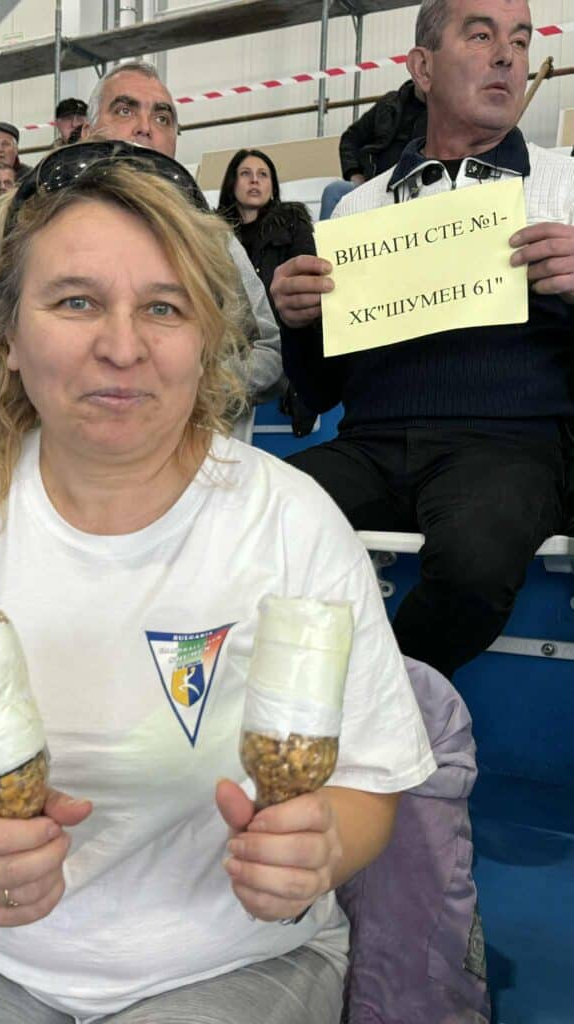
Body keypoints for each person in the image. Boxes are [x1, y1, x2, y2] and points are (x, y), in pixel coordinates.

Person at [0, 156, 434, 1024]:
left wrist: (323, 844)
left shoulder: (292, 521)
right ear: (7, 335)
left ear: (206, 338)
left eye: (163, 307)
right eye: (76, 301)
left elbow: (371, 780)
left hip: (232, 959)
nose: (123, 346)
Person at [271, 0, 574, 680]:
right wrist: (298, 323)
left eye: (520, 40)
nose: (507, 56)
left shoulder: (567, 187)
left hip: (509, 447)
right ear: (423, 68)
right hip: (371, 446)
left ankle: (377, 710)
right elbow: (321, 391)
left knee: (474, 564)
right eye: (481, 35)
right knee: (246, 518)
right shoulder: (359, 207)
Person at [82, 60, 285, 441]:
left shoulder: (214, 240)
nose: (145, 127)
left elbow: (269, 352)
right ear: (87, 132)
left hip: (187, 449)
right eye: (124, 110)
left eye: (162, 118)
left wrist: (192, 387)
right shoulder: (39, 227)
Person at [217, 149, 318, 437]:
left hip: (279, 335)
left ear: (273, 186)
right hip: (228, 338)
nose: (254, 181)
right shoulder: (213, 233)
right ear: (232, 184)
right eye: (245, 174)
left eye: (263, 175)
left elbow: (305, 281)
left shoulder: (292, 222)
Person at [320, 80, 427, 220]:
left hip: (413, 185)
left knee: (418, 203)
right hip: (372, 182)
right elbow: (350, 138)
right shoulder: (390, 103)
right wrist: (354, 173)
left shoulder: (443, 112)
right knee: (333, 191)